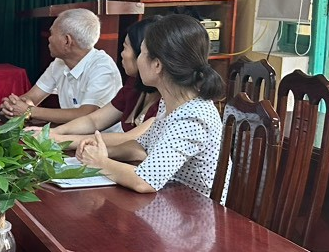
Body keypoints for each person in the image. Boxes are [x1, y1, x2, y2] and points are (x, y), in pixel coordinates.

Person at [71, 14, 227, 197]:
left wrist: (100, 162)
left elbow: (145, 181)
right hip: (172, 199)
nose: (138, 60)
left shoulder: (192, 116)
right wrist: (103, 152)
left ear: (157, 65)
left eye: (142, 53)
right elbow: (141, 147)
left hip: (195, 208)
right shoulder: (170, 102)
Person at [38, 17, 160, 138]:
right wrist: (54, 132)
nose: (122, 54)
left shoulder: (165, 99)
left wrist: (60, 138)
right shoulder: (133, 84)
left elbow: (130, 140)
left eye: (125, 47)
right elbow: (94, 121)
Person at [0, 9, 122, 124]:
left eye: (52, 33)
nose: (49, 39)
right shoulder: (59, 63)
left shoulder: (103, 68)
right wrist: (14, 105)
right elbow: (33, 96)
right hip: (70, 134)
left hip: (102, 138)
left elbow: (86, 114)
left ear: (67, 41)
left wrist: (29, 111)